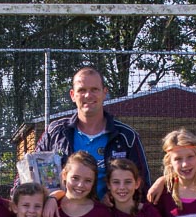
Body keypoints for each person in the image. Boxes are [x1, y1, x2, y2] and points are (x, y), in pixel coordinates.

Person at [37, 66, 150, 202]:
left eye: (94, 89)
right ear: (72, 95)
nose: (88, 95)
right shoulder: (55, 132)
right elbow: (30, 171)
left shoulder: (127, 136)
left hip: (110, 214)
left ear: (104, 93)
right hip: (61, 213)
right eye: (82, 90)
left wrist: (116, 200)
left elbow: (142, 183)